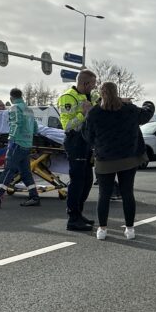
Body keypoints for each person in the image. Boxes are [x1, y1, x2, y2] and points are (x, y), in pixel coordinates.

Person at [83, 82, 154, 240]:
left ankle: (102, 230)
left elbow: (87, 136)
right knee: (128, 193)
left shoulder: (94, 113)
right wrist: (147, 104)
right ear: (117, 93)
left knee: (104, 195)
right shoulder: (129, 109)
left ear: (101, 94)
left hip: (104, 159)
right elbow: (146, 114)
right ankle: (130, 230)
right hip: (128, 158)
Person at [0, 88, 40, 208]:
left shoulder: (14, 108)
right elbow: (35, 127)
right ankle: (34, 197)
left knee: (8, 170)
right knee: (25, 172)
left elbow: (15, 123)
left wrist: (11, 139)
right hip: (27, 144)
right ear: (21, 96)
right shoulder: (29, 110)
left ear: (11, 97)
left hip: (17, 143)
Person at [57, 70, 99, 232]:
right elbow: (67, 125)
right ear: (85, 83)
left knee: (88, 180)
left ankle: (78, 213)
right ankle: (72, 218)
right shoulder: (68, 97)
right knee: (78, 180)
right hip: (75, 142)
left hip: (87, 142)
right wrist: (83, 113)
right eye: (93, 84)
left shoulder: (89, 96)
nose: (94, 87)